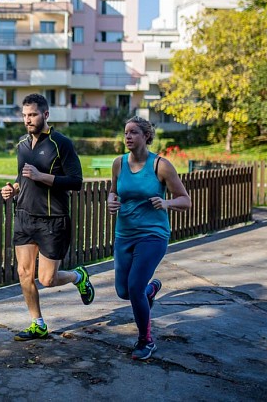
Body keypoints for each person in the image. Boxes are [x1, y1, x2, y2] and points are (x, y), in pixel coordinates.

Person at [1, 93, 94, 341]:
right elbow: (23, 179)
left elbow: (76, 182)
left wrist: (41, 176)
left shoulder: (60, 143)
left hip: (53, 220)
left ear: (45, 115)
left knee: (47, 279)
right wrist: (13, 189)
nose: (28, 120)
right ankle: (38, 323)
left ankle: (78, 276)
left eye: (32, 115)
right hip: (24, 216)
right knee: (23, 273)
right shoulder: (22, 145)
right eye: (24, 115)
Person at [107, 116, 191, 360]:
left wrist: (166, 202)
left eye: (133, 132)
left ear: (146, 136)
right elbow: (113, 193)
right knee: (124, 291)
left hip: (153, 235)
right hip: (124, 233)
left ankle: (146, 340)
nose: (128, 137)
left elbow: (185, 200)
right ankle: (150, 290)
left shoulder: (161, 166)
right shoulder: (118, 164)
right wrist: (111, 202)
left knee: (134, 288)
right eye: (125, 133)